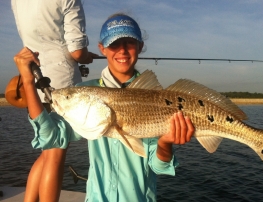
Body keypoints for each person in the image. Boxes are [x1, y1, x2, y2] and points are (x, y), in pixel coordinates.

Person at [13, 13, 195, 201]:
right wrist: (28, 82)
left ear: (140, 46)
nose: (122, 50)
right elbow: (51, 137)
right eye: (114, 44)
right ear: (102, 48)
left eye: (129, 43)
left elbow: (158, 166)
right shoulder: (83, 91)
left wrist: (165, 143)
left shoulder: (154, 99)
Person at [11, 0, 98, 201]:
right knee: (56, 153)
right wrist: (85, 57)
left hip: (33, 80)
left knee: (47, 151)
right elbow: (77, 50)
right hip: (60, 84)